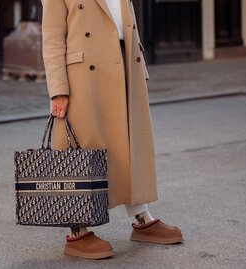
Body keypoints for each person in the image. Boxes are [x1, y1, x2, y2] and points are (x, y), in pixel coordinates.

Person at [41, 0, 182, 259]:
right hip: (84, 73)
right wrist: (58, 89)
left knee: (128, 145)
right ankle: (76, 230)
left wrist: (140, 65)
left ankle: (142, 218)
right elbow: (52, 37)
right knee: (81, 148)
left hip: (125, 63)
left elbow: (126, 21)